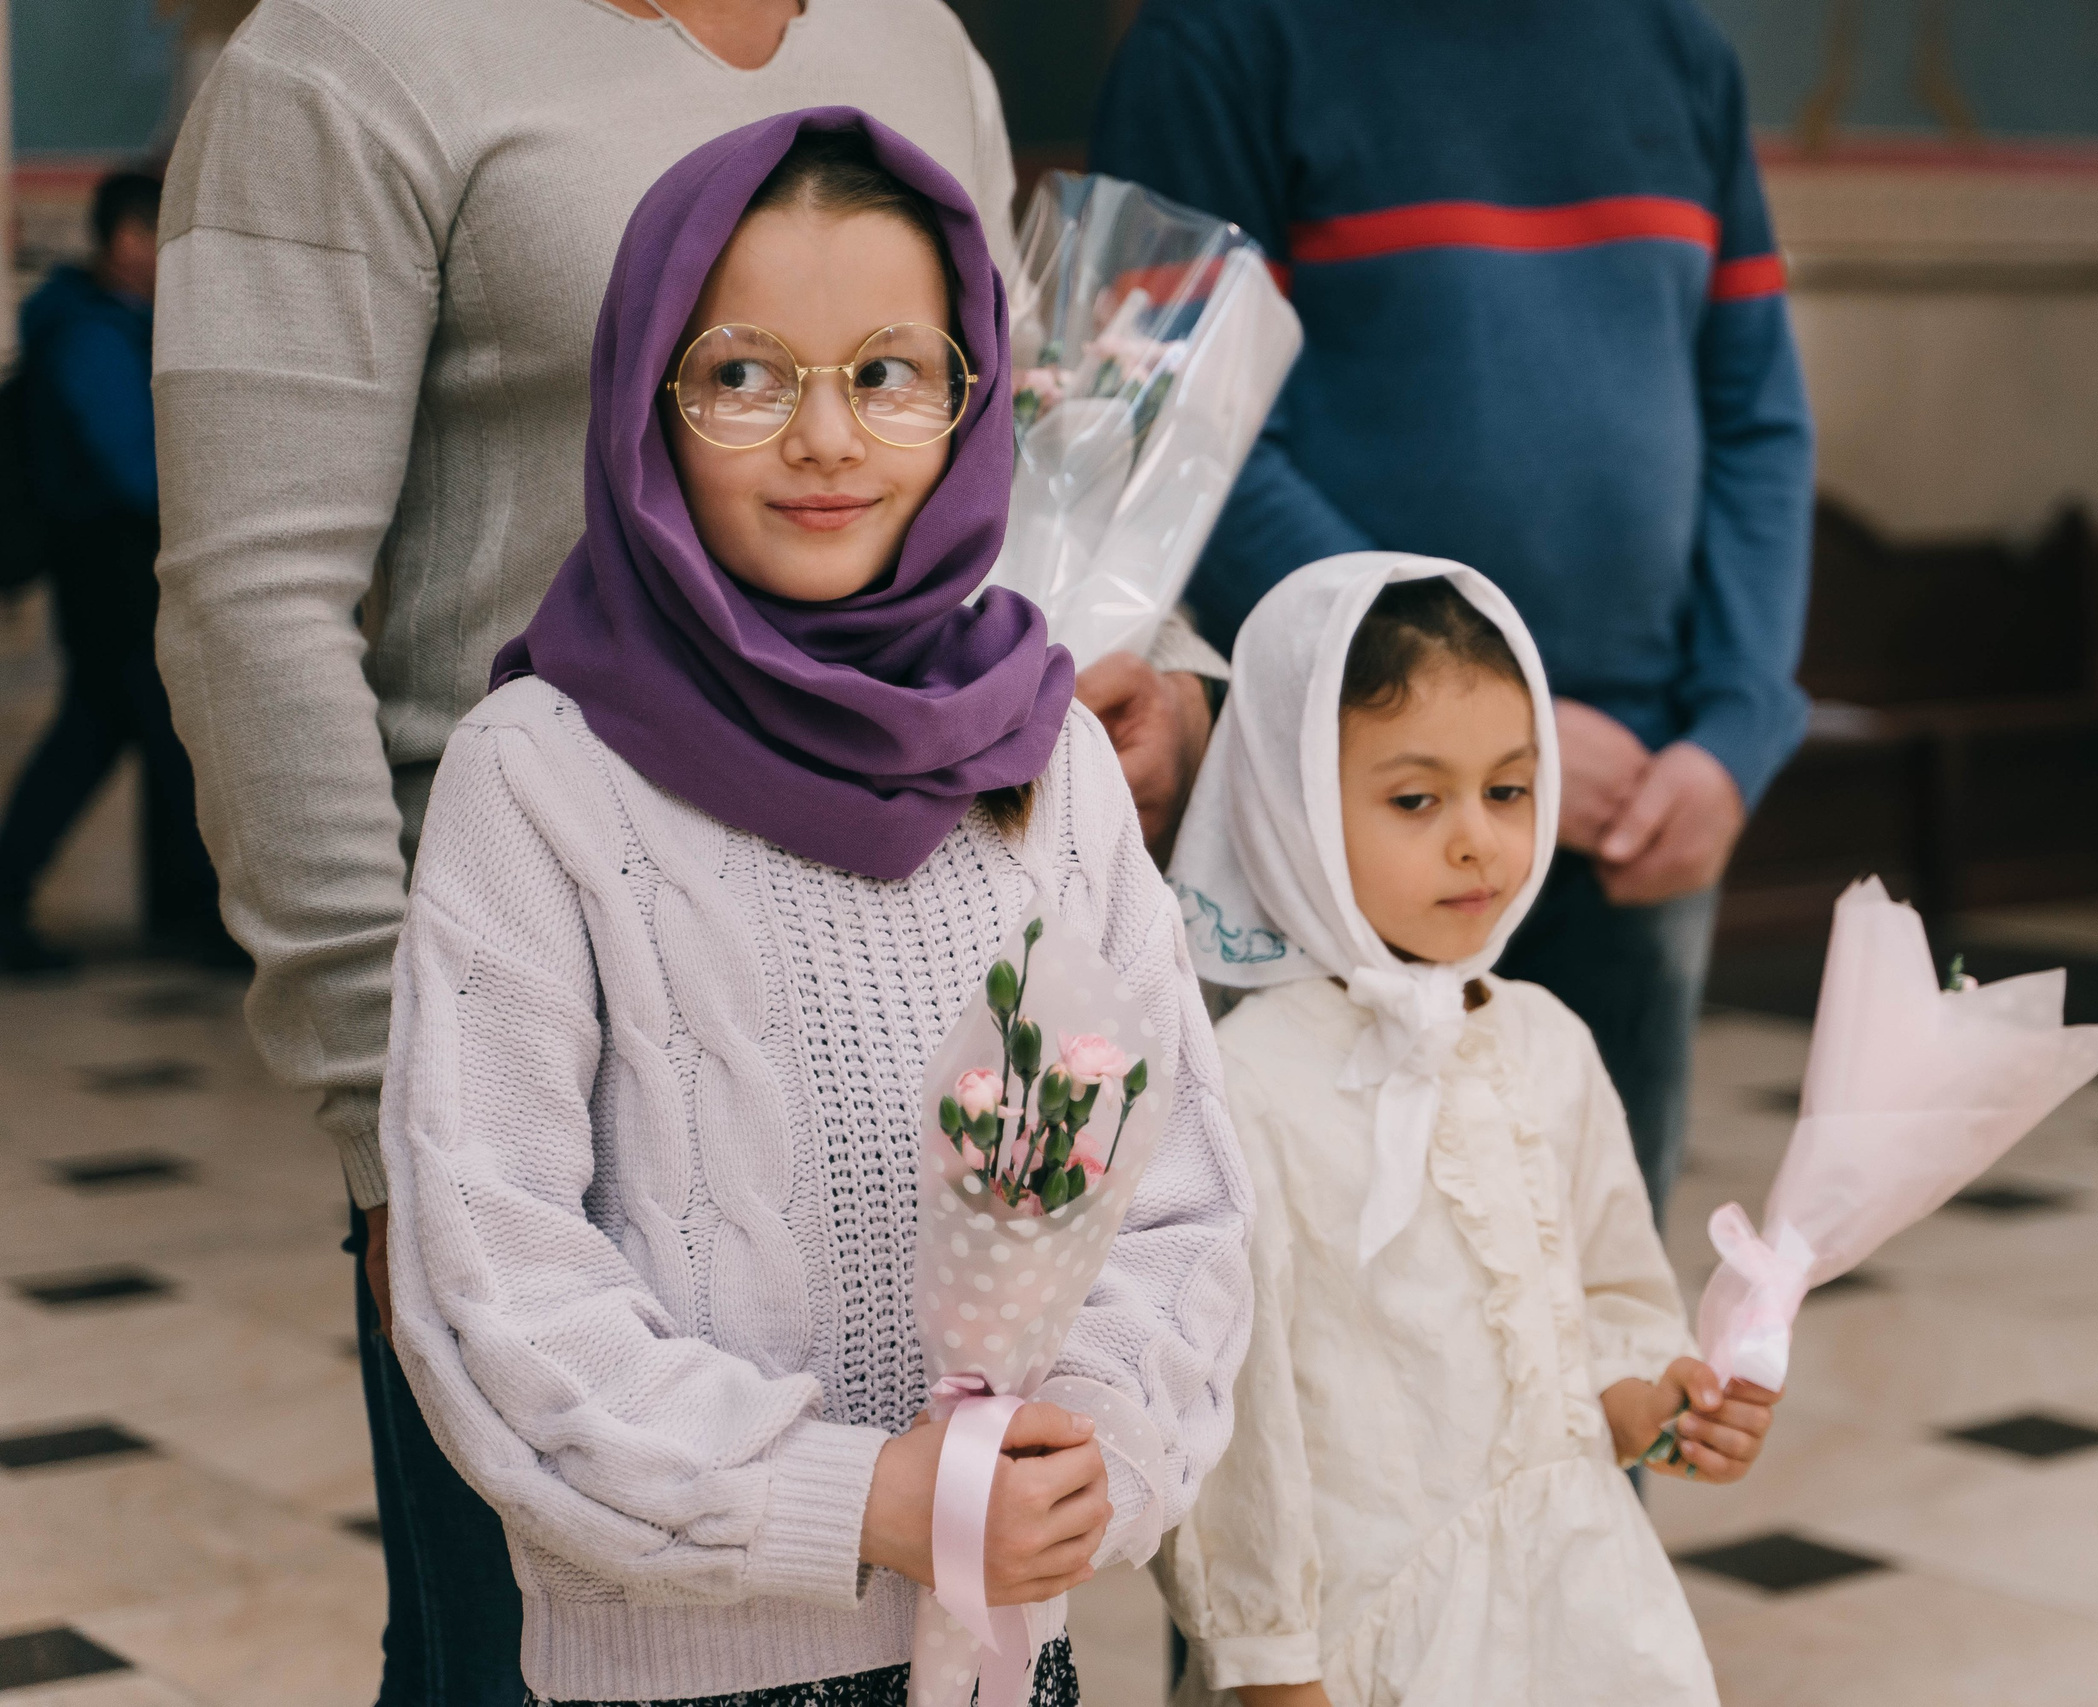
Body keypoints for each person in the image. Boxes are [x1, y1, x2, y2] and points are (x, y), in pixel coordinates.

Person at [150, 4, 1203, 1697]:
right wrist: (385, 1129)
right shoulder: (354, 53)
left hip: (931, 923)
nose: (824, 430)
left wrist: (1052, 688)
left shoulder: (915, 40)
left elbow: (997, 419)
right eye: (738, 376)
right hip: (557, 1053)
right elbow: (253, 604)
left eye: (877, 383)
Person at [1090, 0, 1819, 1220]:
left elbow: (1755, 418)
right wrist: (1487, 727)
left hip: (1643, 791)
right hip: (1353, 790)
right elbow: (1190, 438)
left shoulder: (1676, 51)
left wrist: (1734, 735)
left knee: (1590, 1281)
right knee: (1341, 1294)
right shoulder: (1221, 42)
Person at [1159, 555, 1779, 1706]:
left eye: (1507, 790)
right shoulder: (1247, 1085)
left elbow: (1606, 1296)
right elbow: (1234, 1427)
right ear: (1289, 803)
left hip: (1577, 1613)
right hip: (1363, 1638)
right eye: (1414, 799)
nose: (1476, 842)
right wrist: (1269, 1663)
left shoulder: (1547, 1041)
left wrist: (1654, 1404)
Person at [0, 169, 227, 975]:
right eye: (165, 236)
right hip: (110, 566)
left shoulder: (113, 323)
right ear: (127, 240)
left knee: (104, 731)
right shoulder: (92, 333)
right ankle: (201, 911)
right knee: (144, 732)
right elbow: (135, 470)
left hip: (119, 566)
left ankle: (184, 906)